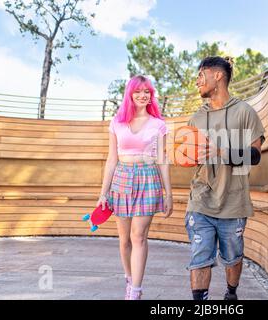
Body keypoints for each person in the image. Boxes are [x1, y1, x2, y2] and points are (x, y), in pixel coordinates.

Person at [185, 56, 265, 300]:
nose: (197, 81)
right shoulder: (196, 118)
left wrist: (221, 152)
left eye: (201, 75)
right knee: (200, 256)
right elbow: (190, 156)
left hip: (233, 201)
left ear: (217, 75)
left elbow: (255, 155)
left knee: (233, 257)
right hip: (200, 200)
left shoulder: (245, 112)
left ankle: (231, 294)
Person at [97, 75, 173, 300]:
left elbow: (162, 159)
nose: (143, 95)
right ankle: (129, 280)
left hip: (148, 179)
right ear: (130, 94)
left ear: (151, 96)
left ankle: (136, 292)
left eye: (147, 92)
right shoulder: (116, 122)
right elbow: (112, 159)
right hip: (121, 178)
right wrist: (103, 193)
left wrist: (169, 194)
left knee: (139, 236)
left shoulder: (158, 125)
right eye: (138, 91)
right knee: (124, 239)